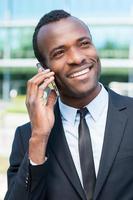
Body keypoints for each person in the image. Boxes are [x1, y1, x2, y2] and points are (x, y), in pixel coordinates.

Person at [5, 9, 133, 200]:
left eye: (84, 44)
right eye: (59, 53)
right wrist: (39, 138)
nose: (77, 58)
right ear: (43, 69)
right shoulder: (28, 137)